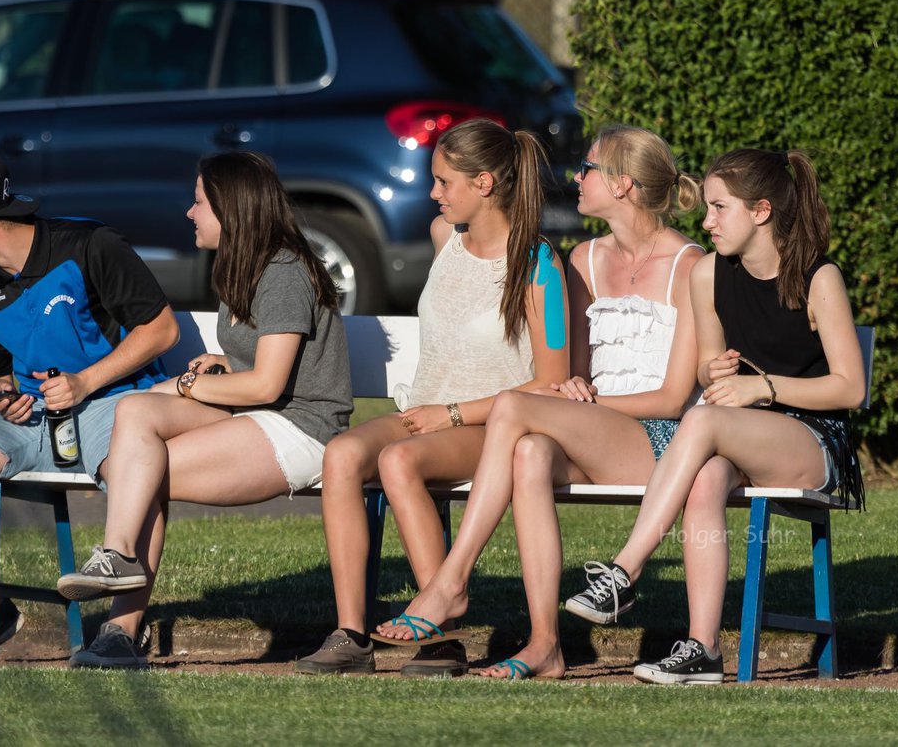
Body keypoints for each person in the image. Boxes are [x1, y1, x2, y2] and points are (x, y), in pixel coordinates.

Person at [372, 125, 704, 680]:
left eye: (590, 169)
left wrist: (585, 406)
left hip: (662, 442)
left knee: (513, 406)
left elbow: (672, 400)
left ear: (622, 185)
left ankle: (451, 581)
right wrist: (575, 396)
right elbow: (567, 375)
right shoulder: (580, 262)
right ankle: (545, 645)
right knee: (527, 451)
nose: (578, 177)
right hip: (593, 431)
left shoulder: (690, 266)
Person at [563, 148, 866, 685]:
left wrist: (763, 387)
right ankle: (703, 649)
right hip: (741, 435)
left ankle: (625, 570)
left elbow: (849, 387)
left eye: (719, 208)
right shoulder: (708, 275)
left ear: (761, 211)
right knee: (704, 478)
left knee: (698, 423)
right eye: (707, 207)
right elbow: (708, 373)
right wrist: (714, 370)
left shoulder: (820, 278)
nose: (706, 221)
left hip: (814, 441)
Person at [55, 151, 353, 669]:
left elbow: (266, 383)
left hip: (302, 427)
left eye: (198, 203)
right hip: (256, 415)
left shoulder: (282, 270)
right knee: (135, 412)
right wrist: (214, 364)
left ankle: (120, 629)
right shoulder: (241, 263)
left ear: (231, 208)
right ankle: (118, 563)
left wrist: (191, 387)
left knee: (141, 471)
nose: (189, 213)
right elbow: (254, 360)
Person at [295, 118, 570, 677]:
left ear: (485, 183)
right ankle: (351, 634)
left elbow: (552, 381)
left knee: (398, 460)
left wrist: (452, 413)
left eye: (445, 181)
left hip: (488, 426)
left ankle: (441, 624)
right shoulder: (445, 238)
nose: (434, 193)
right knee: (342, 455)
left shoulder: (538, 262)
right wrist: (433, 411)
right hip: (424, 412)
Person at [0, 154, 180, 662]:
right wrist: (2, 400)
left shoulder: (90, 245)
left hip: (119, 402)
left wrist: (85, 382)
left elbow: (162, 330)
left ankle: (121, 633)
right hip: (36, 417)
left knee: (135, 473)